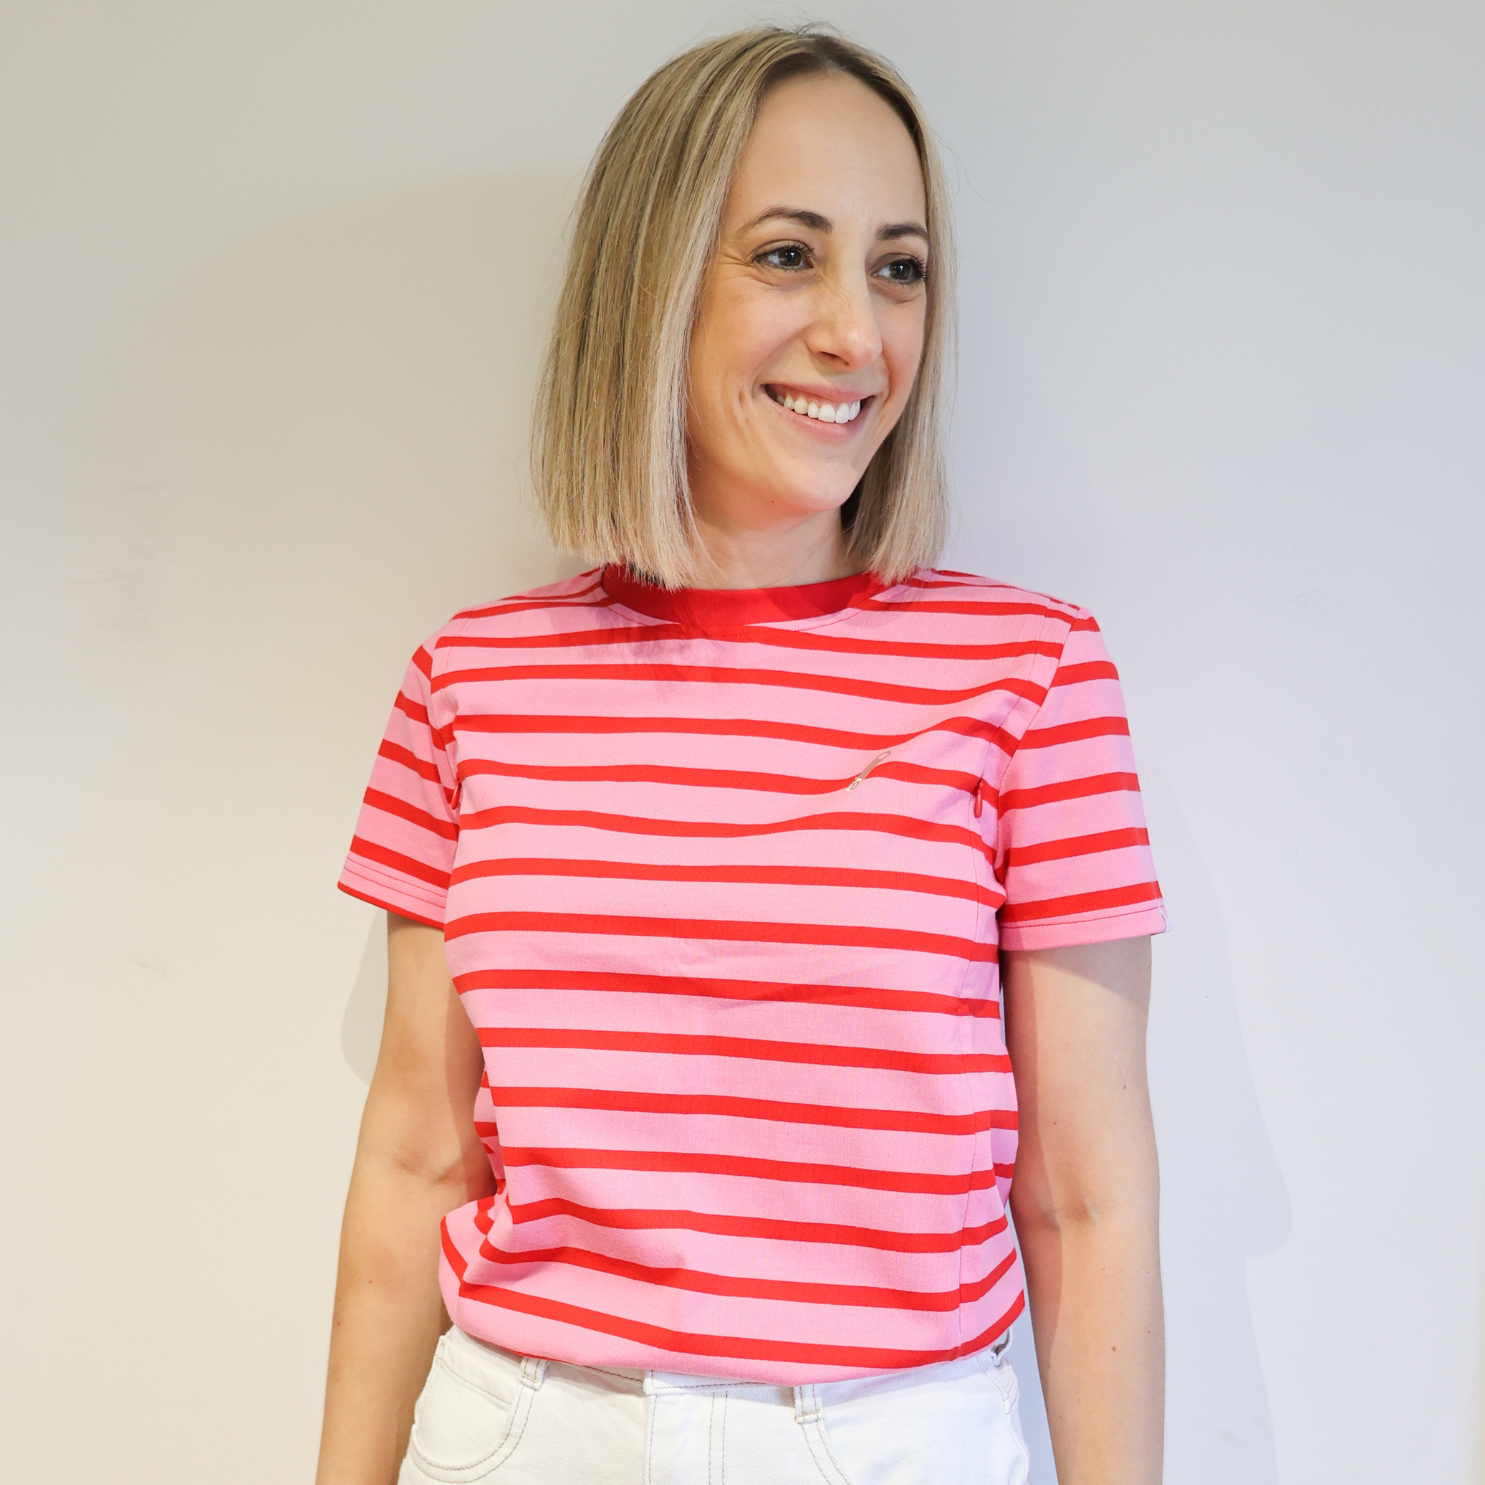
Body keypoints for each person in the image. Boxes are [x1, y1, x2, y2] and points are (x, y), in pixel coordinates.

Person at [316, 25, 1166, 1485]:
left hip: (891, 1441)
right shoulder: (473, 680)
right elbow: (415, 1159)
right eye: (788, 255)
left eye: (898, 268)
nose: (857, 333)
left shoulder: (1031, 673)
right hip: (530, 1432)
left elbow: (1086, 1201)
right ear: (652, 283)